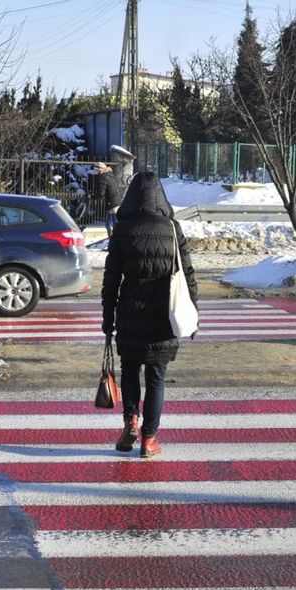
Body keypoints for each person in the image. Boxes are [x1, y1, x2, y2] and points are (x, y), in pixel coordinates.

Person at [101, 172, 197, 459]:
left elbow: (111, 279)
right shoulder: (171, 228)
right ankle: (149, 439)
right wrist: (193, 314)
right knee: (156, 378)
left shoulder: (123, 228)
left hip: (129, 311)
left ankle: (131, 421)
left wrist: (108, 319)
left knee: (130, 371)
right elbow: (188, 275)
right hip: (163, 314)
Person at [94, 162, 123, 237]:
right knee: (109, 224)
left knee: (113, 224)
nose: (95, 172)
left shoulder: (103, 177)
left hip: (112, 203)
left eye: (96, 170)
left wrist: (92, 197)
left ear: (100, 170)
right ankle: (112, 240)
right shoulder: (109, 174)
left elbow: (101, 193)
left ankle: (115, 240)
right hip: (116, 201)